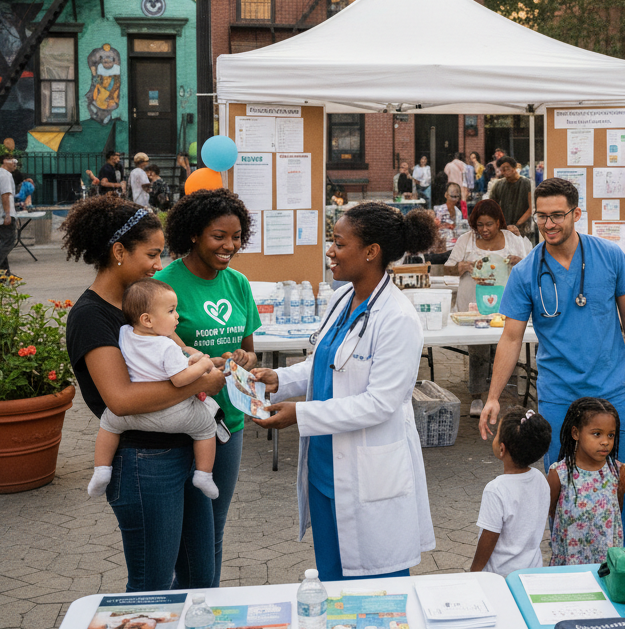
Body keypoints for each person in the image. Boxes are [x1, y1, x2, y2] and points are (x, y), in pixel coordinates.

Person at [251, 204, 439, 579]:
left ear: (371, 251)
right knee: (332, 581)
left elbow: (379, 404)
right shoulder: (341, 299)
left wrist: (299, 415)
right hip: (325, 468)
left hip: (368, 472)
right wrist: (279, 379)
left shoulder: (398, 318)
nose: (330, 251)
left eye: (339, 243)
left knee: (376, 595)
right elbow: (325, 363)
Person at [480, 177, 625, 549]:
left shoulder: (608, 255)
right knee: (560, 481)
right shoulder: (527, 270)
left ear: (577, 213)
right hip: (560, 394)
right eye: (542, 217)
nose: (549, 224)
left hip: (611, 387)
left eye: (558, 215)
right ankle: (567, 557)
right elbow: (511, 336)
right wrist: (494, 395)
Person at [64, 196, 226, 591]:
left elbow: (178, 356)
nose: (159, 264)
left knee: (200, 579)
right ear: (119, 251)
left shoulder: (141, 306)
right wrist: (200, 382)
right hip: (142, 463)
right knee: (152, 587)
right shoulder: (91, 316)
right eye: (152, 254)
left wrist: (205, 363)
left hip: (183, 451)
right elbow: (120, 400)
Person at [153, 189, 261, 586]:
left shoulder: (237, 284)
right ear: (194, 235)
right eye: (219, 236)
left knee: (212, 530)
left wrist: (246, 360)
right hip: (178, 426)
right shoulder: (163, 287)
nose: (229, 246)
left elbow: (248, 352)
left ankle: (205, 607)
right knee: (177, 538)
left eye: (235, 237)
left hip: (227, 425)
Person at [87, 279, 219, 500]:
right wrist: (205, 365)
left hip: (130, 415)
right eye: (171, 311)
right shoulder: (166, 345)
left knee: (108, 424)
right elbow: (179, 380)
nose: (177, 316)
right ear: (147, 320)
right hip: (170, 413)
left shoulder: (124, 333)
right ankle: (204, 475)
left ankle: (101, 470)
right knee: (206, 427)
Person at [445, 199, 532, 416]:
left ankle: (509, 397)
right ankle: (477, 397)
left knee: (507, 349)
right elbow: (446, 269)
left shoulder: (513, 238)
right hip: (472, 308)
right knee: (479, 352)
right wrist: (460, 266)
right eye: (480, 225)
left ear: (498, 222)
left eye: (489, 224)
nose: (484, 229)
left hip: (507, 307)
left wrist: (519, 261)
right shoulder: (466, 240)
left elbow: (530, 267)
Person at [547, 397, 625, 565]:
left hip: (605, 562)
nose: (605, 442)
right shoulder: (559, 473)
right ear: (576, 433)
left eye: (611, 435)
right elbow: (552, 511)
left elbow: (617, 510)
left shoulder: (619, 471)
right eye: (597, 434)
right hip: (570, 561)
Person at [470, 407, 552, 575]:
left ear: (502, 448)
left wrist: (475, 571)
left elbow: (489, 537)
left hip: (502, 576)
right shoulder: (540, 478)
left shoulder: (496, 489)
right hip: (533, 570)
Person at [490, 156, 532, 238]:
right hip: (503, 228)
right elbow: (492, 206)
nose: (505, 171)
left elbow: (531, 208)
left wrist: (517, 225)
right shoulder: (498, 185)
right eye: (503, 169)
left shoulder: (526, 183)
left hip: (522, 228)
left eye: (508, 168)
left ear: (515, 168)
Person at [431, 182, 465, 264]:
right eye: (452, 196)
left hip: (454, 245)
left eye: (457, 197)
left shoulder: (458, 212)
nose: (454, 199)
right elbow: (435, 228)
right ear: (446, 195)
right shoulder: (440, 210)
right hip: (441, 245)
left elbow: (458, 230)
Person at [0, 153, 17, 275]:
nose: (15, 163)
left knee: (3, 243)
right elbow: (5, 195)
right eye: (12, 160)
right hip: (4, 215)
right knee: (8, 242)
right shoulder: (5, 175)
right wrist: (7, 214)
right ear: (4, 161)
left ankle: (5, 275)